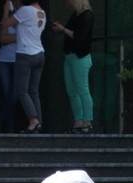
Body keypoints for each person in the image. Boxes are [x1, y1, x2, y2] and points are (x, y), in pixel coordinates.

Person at [52, 0, 94, 133]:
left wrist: (63, 29)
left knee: (82, 89)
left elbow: (79, 37)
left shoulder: (87, 15)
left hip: (80, 57)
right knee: (72, 91)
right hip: (70, 56)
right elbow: (69, 32)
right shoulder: (76, 14)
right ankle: (78, 120)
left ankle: (87, 121)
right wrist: (61, 28)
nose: (67, 3)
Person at [6, 0, 44, 133]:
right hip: (39, 53)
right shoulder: (42, 12)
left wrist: (6, 11)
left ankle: (33, 120)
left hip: (25, 54)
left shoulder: (25, 10)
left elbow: (6, 24)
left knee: (22, 90)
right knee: (34, 91)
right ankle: (39, 123)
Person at [0, 0, 20, 133]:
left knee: (14, 95)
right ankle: (10, 127)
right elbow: (2, 38)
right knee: (6, 93)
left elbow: (25, 36)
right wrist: (6, 11)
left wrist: (11, 37)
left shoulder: (24, 14)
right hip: (3, 59)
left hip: (19, 59)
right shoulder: (7, 16)